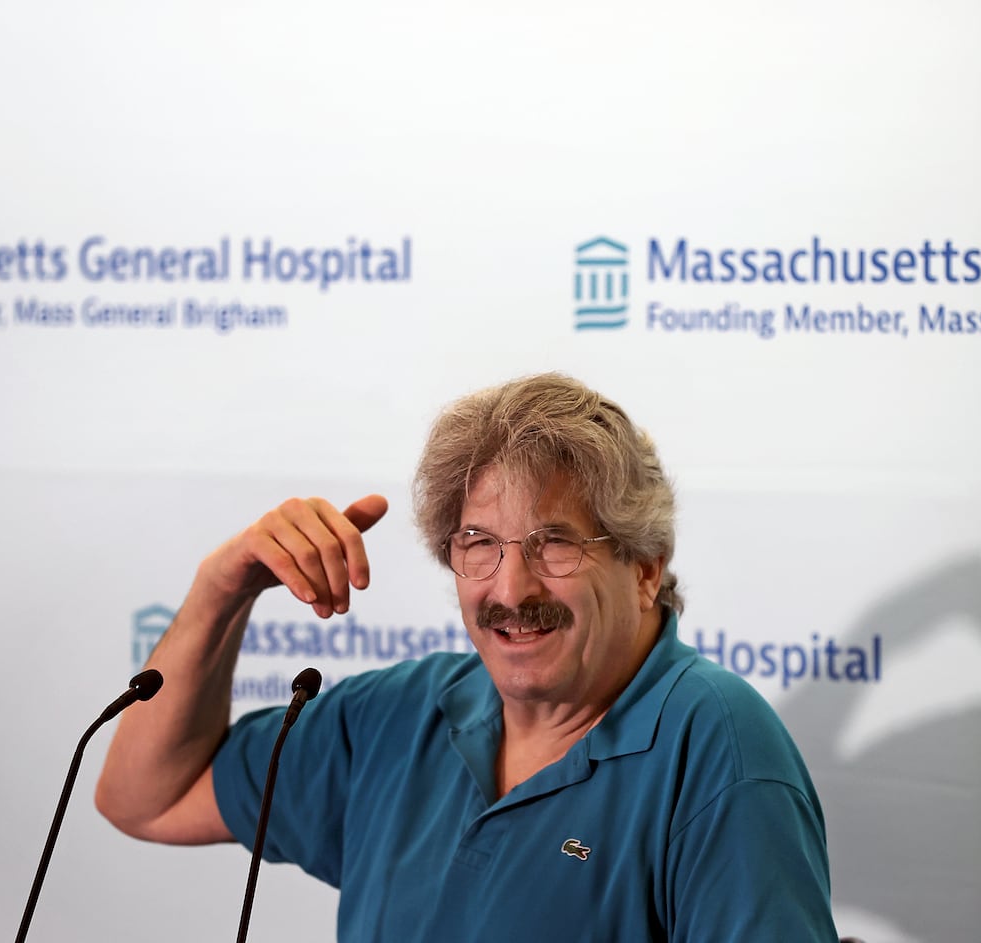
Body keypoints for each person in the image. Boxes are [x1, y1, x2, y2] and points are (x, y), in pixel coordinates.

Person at [96, 372, 839, 942]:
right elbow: (146, 797)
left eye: (555, 543)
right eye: (479, 544)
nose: (511, 589)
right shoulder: (398, 716)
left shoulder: (719, 750)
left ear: (645, 566)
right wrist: (223, 586)